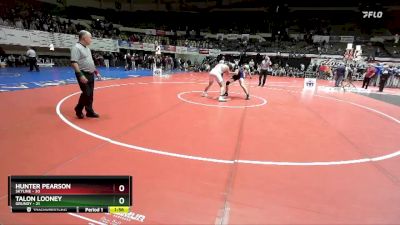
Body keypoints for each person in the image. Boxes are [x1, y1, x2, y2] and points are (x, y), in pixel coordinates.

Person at [70, 30, 102, 119]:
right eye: (90, 37)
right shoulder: (76, 48)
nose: (91, 39)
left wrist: (96, 72)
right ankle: (78, 109)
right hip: (83, 73)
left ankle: (89, 111)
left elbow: (90, 62)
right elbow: (74, 63)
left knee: (90, 94)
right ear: (84, 38)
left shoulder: (87, 48)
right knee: (86, 93)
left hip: (90, 73)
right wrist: (80, 75)